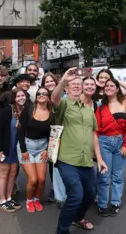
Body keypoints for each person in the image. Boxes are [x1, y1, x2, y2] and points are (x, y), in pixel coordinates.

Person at [50, 68, 108, 233]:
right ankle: (62, 230)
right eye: (72, 84)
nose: (76, 86)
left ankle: (78, 217)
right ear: (67, 89)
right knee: (76, 195)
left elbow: (93, 135)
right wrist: (63, 80)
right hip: (67, 159)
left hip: (86, 160)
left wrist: (100, 159)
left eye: (78, 84)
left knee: (90, 193)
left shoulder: (88, 109)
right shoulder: (63, 104)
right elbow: (54, 98)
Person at [95, 78, 126, 217]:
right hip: (104, 142)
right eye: (106, 86)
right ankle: (102, 204)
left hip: (120, 142)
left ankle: (115, 203)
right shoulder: (101, 106)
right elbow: (96, 130)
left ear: (118, 88)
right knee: (104, 176)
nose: (109, 88)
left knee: (118, 176)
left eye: (112, 85)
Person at [0, 88, 27, 213]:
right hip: (4, 148)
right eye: (18, 96)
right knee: (3, 174)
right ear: (13, 98)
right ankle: (2, 201)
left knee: (13, 174)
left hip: (15, 149)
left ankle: (9, 198)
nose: (21, 98)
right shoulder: (7, 111)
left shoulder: (24, 111)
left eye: (23, 95)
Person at [40, 73, 59, 203]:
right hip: (48, 136)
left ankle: (62, 189)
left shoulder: (61, 97)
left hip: (61, 133)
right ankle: (55, 189)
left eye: (52, 81)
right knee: (52, 163)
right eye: (47, 82)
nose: (50, 83)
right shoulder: (42, 99)